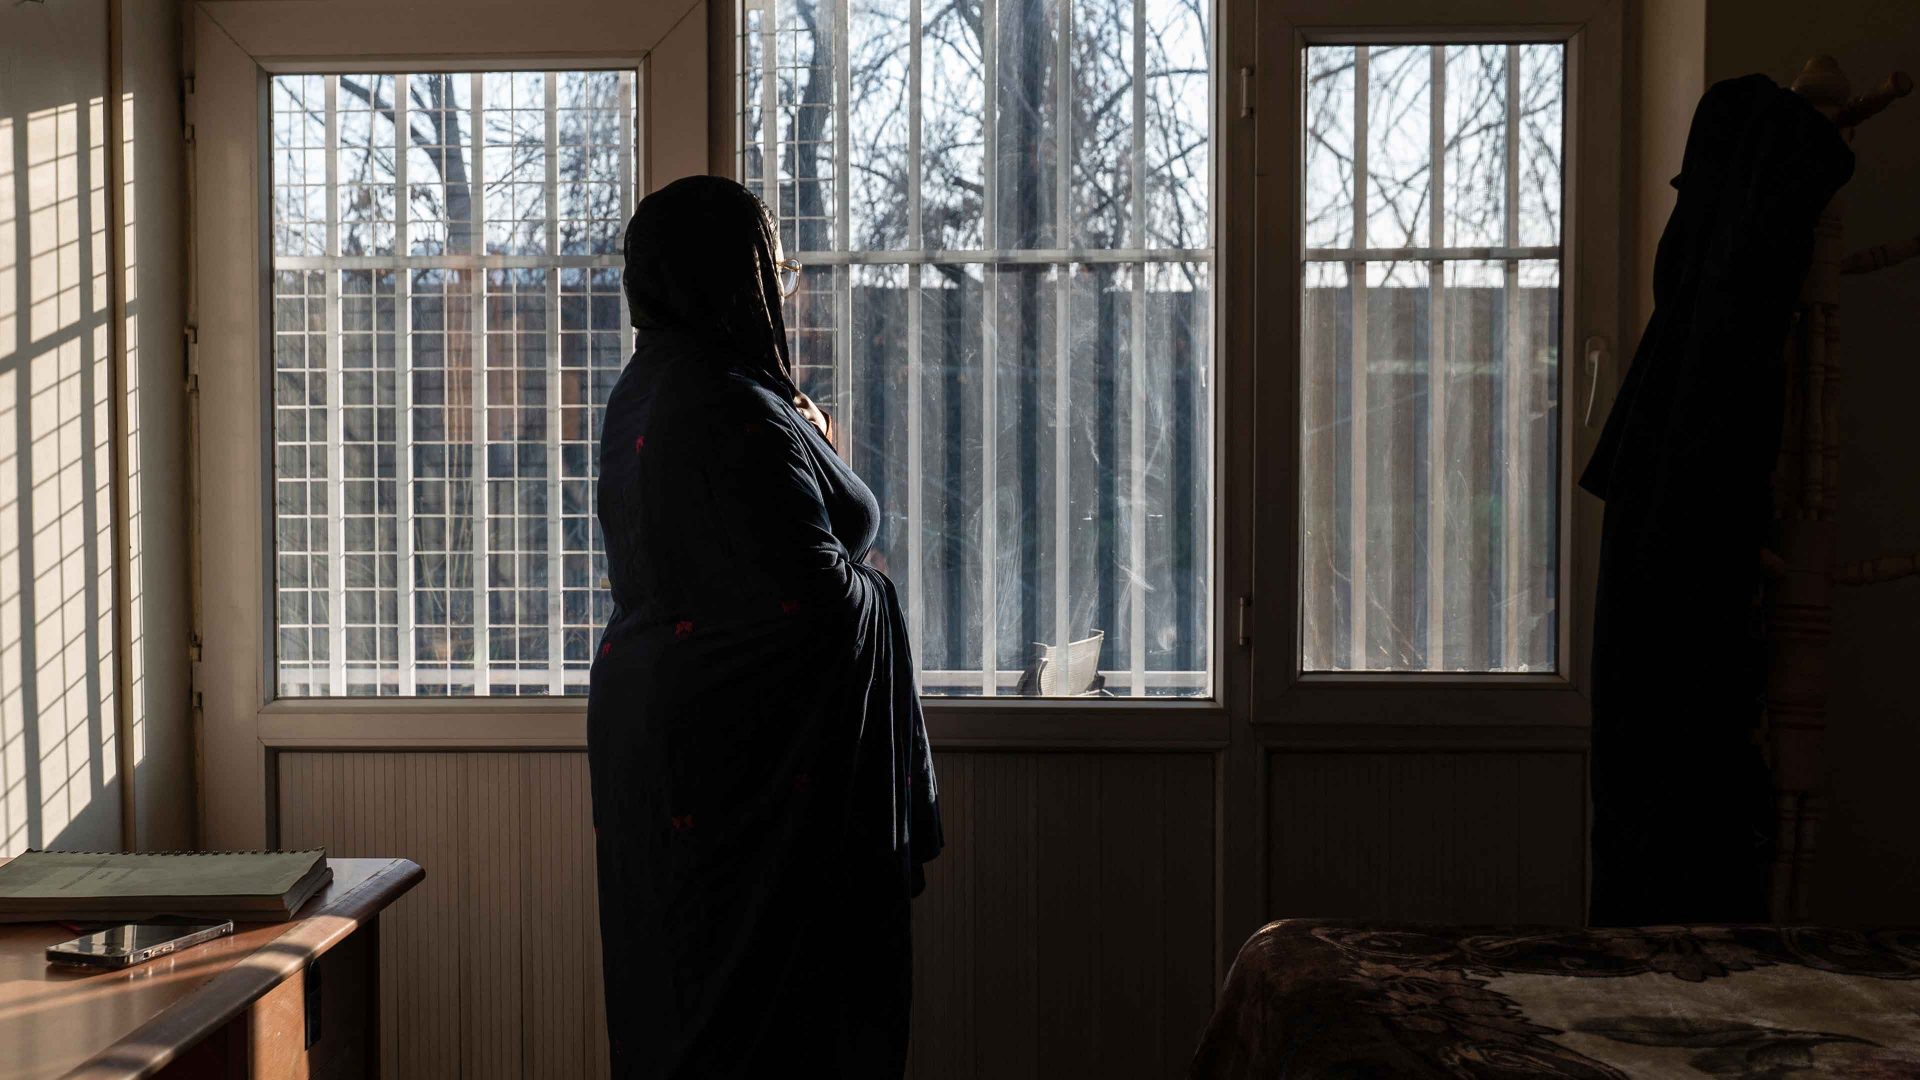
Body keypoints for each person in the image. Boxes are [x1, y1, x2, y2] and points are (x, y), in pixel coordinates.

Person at [587, 175, 943, 1079]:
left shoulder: (653, 389)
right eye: (773, 268)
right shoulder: (727, 405)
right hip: (746, 785)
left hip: (673, 757)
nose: (785, 287)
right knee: (766, 1027)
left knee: (688, 1007)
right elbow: (812, 611)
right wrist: (872, 580)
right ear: (732, 277)